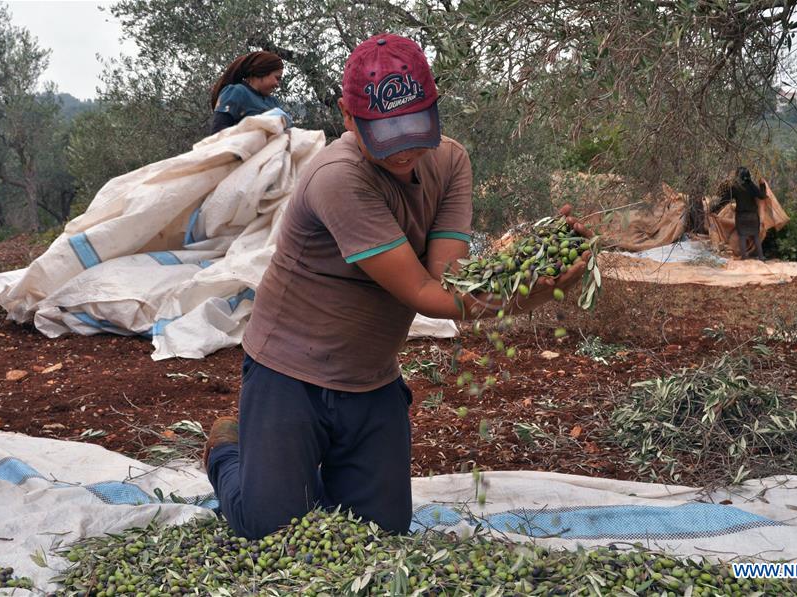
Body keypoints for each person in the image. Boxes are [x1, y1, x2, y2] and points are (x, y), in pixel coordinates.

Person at [203, 33, 592, 540]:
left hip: (369, 378)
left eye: (416, 127)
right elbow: (423, 294)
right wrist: (529, 296)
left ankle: (292, 470)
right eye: (386, 133)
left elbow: (450, 279)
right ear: (347, 116)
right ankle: (229, 453)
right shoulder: (339, 177)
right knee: (271, 530)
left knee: (380, 533)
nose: (405, 148)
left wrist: (536, 256)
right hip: (288, 374)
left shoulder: (450, 162)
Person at [210, 51, 286, 134]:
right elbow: (218, 132)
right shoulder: (236, 92)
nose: (277, 84)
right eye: (277, 78)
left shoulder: (274, 102)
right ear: (262, 72)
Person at [715, 166, 768, 260]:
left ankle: (744, 258)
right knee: (755, 236)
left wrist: (714, 209)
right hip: (753, 216)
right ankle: (761, 257)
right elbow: (762, 196)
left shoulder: (734, 187)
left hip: (741, 216)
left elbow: (724, 201)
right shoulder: (751, 186)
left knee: (742, 236)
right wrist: (762, 185)